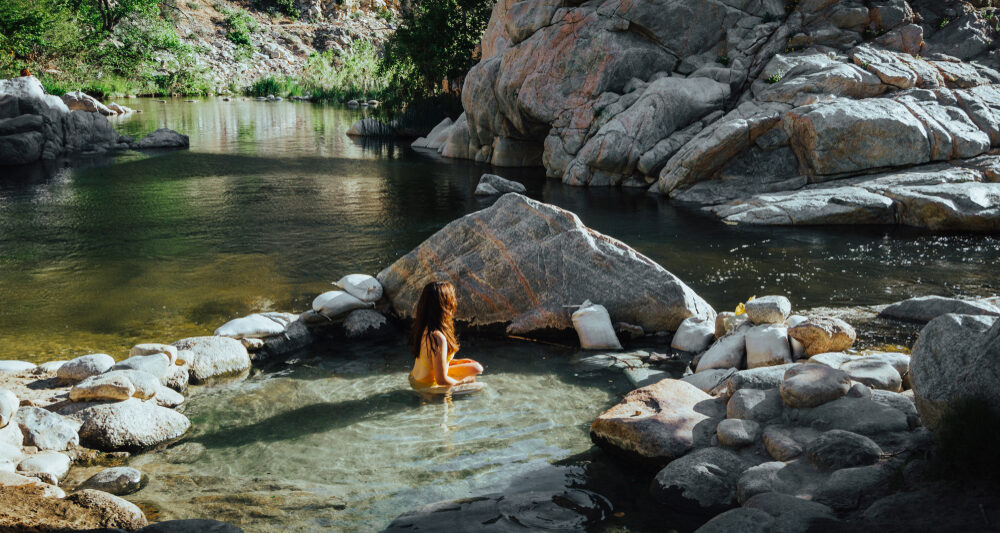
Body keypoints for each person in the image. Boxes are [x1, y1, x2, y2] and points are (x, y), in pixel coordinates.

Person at [408, 281, 483, 390]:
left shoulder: (424, 328)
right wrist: (464, 381)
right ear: (446, 305)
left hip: (415, 378)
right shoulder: (438, 338)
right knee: (479, 386)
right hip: (427, 387)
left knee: (476, 368)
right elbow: (441, 380)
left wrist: (459, 362)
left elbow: (431, 361)